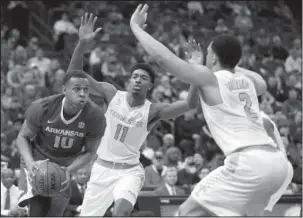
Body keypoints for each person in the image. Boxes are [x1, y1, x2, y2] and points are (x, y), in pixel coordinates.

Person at [129, 4, 291, 216]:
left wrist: (136, 28)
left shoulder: (211, 78)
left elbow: (163, 59)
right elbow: (261, 83)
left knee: (185, 213)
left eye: (208, 53)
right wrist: (218, 63)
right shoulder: (247, 81)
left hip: (248, 163)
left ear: (213, 58)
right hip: (277, 163)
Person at [66, 13, 198, 216]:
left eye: (143, 78)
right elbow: (74, 75)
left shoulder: (153, 110)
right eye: (135, 76)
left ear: (150, 85)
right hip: (101, 168)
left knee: (121, 212)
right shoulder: (111, 93)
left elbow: (190, 103)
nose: (137, 80)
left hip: (129, 171)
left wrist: (196, 70)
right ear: (129, 80)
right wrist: (82, 43)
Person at [16, 70, 106, 216]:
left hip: (64, 168)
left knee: (55, 214)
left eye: (86, 89)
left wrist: (69, 170)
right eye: (77, 89)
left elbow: (90, 152)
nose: (82, 93)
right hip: (37, 161)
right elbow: (22, 138)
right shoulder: (42, 107)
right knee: (34, 211)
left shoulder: (95, 116)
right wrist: (30, 162)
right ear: (65, 90)